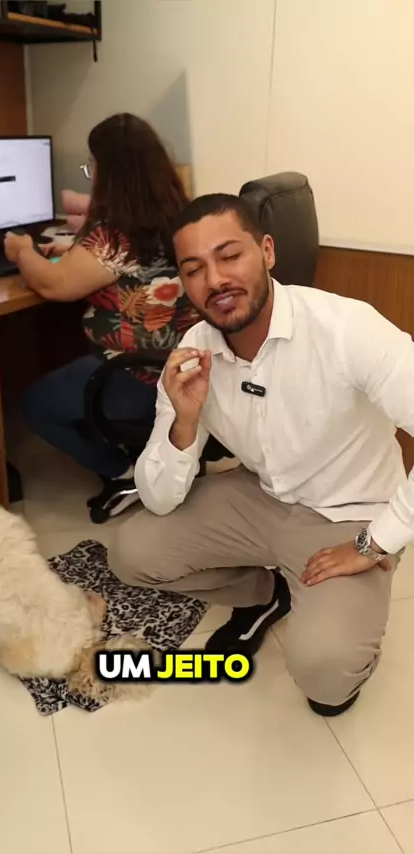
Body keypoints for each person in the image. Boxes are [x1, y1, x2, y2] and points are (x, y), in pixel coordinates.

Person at [109, 193, 414, 716]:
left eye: (230, 255)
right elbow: (159, 500)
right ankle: (265, 591)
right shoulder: (194, 350)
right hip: (261, 496)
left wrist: (374, 542)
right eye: (194, 269)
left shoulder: (346, 328)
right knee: (131, 552)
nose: (216, 280)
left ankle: (335, 615)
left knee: (325, 678)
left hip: (348, 515)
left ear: (267, 251)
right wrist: (183, 422)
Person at [3, 113, 196, 489]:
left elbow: (54, 285)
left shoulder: (115, 234)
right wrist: (72, 250)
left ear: (111, 173)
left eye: (93, 166)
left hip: (138, 377)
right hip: (183, 370)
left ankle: (122, 473)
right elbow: (133, 263)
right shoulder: (176, 214)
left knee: (35, 404)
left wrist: (23, 251)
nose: (91, 175)